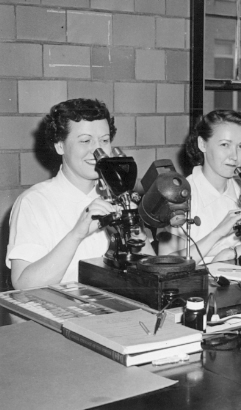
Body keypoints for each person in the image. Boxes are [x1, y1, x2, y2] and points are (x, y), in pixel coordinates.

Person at [7, 98, 149, 289]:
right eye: (85, 141)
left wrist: (135, 230)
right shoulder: (34, 203)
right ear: (60, 145)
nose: (98, 151)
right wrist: (77, 234)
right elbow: (24, 286)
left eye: (104, 140)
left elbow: (150, 274)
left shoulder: (118, 197)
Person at [158, 110, 241, 263]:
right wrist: (217, 234)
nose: (235, 156)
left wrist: (231, 253)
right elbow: (165, 263)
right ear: (202, 144)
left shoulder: (239, 190)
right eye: (225, 145)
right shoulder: (180, 195)